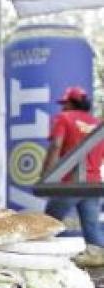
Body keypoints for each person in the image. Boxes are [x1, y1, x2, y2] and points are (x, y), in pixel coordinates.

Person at [42, 86, 104, 264]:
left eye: (65, 103)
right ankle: (99, 264)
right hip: (93, 184)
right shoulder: (98, 124)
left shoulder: (64, 118)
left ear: (71, 103)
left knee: (48, 223)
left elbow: (56, 146)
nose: (63, 107)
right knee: (92, 228)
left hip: (69, 182)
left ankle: (46, 261)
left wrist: (47, 175)